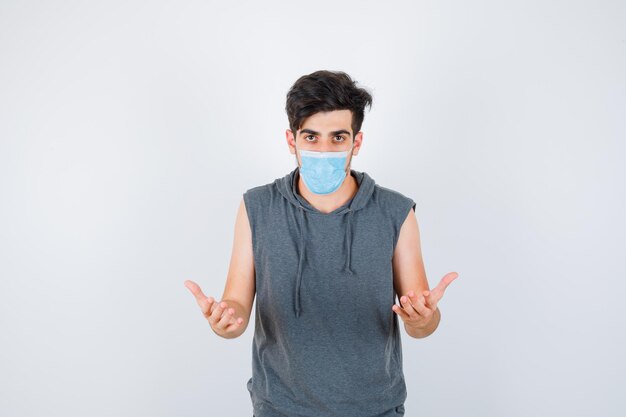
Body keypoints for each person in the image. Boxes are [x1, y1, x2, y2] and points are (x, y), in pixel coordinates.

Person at [185, 70, 459, 417]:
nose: (324, 149)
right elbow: (236, 305)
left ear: (356, 143)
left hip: (374, 408)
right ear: (291, 140)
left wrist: (423, 319)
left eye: (338, 137)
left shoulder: (396, 211)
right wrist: (224, 321)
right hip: (279, 408)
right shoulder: (257, 207)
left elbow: (420, 319)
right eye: (311, 137)